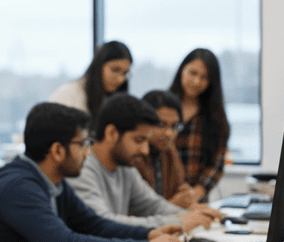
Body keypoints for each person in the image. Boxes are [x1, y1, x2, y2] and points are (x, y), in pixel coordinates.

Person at [0, 102, 185, 242]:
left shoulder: (55, 183)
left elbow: (94, 225)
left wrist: (148, 234)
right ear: (57, 150)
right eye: (82, 144)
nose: (87, 152)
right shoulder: (18, 188)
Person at [66, 94, 220, 230]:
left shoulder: (125, 167)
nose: (145, 150)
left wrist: (192, 215)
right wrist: (178, 221)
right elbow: (103, 222)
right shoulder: (81, 170)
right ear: (111, 133)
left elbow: (152, 205)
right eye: (139, 140)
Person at [169, 48, 231, 201]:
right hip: (161, 197)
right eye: (193, 73)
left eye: (205, 77)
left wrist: (196, 193)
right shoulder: (164, 107)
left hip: (196, 199)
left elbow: (217, 163)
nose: (197, 81)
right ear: (182, 70)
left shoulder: (215, 117)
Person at [134, 90, 199, 208]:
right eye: (161, 125)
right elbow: (134, 214)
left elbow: (181, 191)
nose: (169, 133)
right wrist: (174, 204)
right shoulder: (132, 154)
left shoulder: (168, 149)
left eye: (174, 126)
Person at [49, 41, 132, 118]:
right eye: (115, 70)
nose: (120, 79)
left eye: (125, 73)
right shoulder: (68, 94)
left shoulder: (112, 102)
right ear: (98, 66)